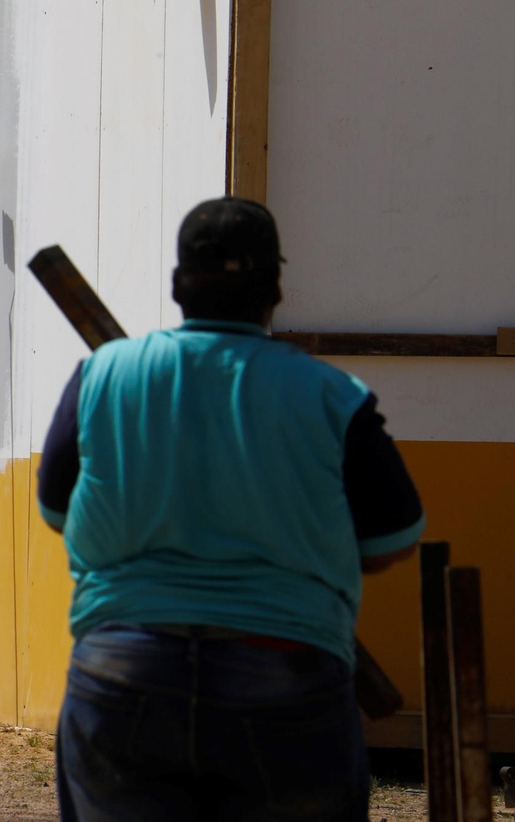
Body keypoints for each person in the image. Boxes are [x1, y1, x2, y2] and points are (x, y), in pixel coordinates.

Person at [40, 197, 425, 821]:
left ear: (175, 285)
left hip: (125, 671)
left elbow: (57, 512)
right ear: (276, 287)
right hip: (287, 675)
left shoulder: (102, 377)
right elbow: (393, 540)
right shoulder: (333, 396)